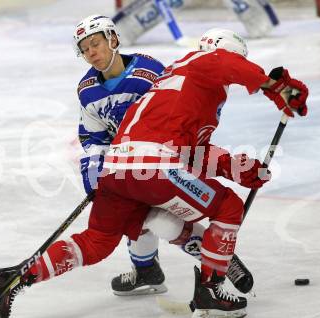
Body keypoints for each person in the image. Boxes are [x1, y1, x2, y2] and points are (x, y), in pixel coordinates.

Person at [0, 26, 308, 318]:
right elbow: (225, 65)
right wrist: (273, 85)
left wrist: (237, 168)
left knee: (97, 241)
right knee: (228, 207)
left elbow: (193, 149)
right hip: (153, 167)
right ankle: (211, 290)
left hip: (118, 169)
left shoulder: (183, 81)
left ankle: (16, 279)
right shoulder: (202, 62)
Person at [73, 15, 254, 298]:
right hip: (128, 161)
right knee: (140, 215)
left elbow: (180, 116)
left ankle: (215, 257)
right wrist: (95, 174)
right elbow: (93, 137)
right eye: (84, 49)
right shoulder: (87, 90)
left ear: (113, 39)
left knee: (163, 221)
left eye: (95, 44)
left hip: (161, 158)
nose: (91, 53)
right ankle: (147, 269)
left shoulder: (150, 71)